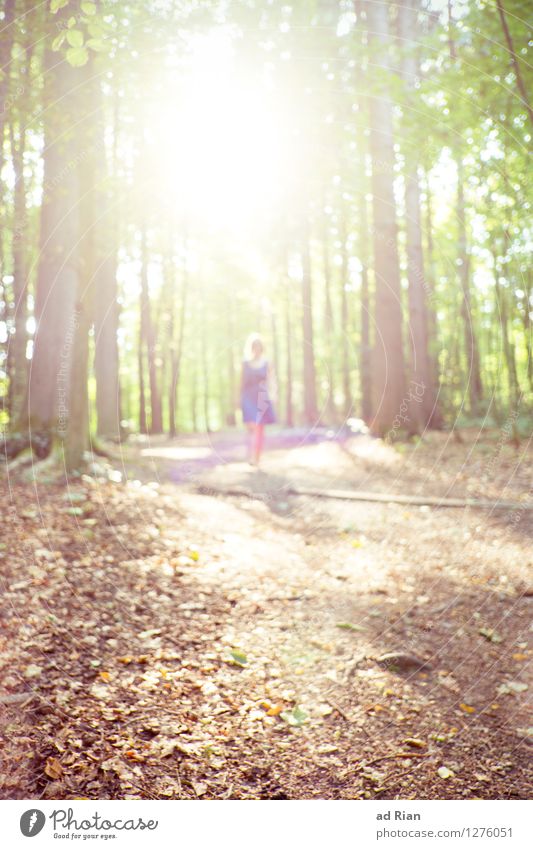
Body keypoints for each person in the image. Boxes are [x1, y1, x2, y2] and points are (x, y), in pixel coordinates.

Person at [240, 334, 276, 466]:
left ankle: (257, 458)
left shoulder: (267, 363)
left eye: (259, 347)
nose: (256, 350)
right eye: (254, 347)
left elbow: (272, 381)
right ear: (251, 348)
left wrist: (273, 397)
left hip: (262, 397)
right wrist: (239, 400)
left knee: (260, 429)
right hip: (248, 398)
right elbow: (241, 382)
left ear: (262, 348)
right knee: (251, 428)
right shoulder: (245, 363)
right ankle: (250, 455)